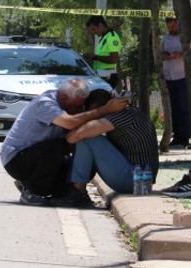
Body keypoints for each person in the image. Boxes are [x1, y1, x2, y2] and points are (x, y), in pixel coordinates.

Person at [0, 78, 129, 206]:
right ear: (64, 98)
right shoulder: (45, 103)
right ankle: (33, 191)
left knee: (85, 154)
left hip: (41, 157)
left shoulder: (70, 103)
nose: (80, 109)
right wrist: (105, 110)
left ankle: (65, 193)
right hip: (17, 159)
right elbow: (69, 122)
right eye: (77, 106)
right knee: (58, 146)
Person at [66, 89, 158, 201]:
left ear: (94, 107)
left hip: (135, 179)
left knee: (86, 138)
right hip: (143, 178)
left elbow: (73, 137)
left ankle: (78, 191)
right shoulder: (132, 111)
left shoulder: (117, 117)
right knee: (89, 135)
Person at [160, 16, 189, 148]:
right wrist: (165, 56)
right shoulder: (164, 39)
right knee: (173, 109)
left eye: (173, 25)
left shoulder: (185, 38)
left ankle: (184, 138)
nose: (171, 28)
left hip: (182, 77)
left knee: (183, 108)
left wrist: (181, 54)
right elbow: (159, 54)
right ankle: (176, 137)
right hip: (169, 77)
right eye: (169, 26)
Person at [84, 15, 122, 89]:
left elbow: (114, 59)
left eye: (93, 29)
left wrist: (95, 57)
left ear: (100, 25)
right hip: (101, 76)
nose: (93, 32)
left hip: (108, 77)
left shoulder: (112, 37)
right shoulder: (104, 37)